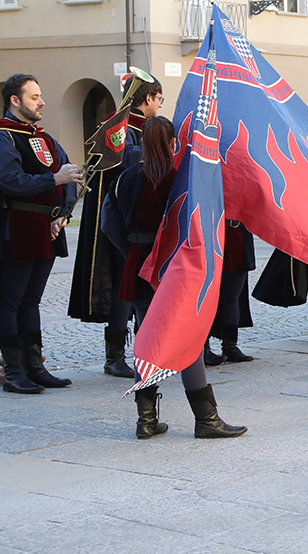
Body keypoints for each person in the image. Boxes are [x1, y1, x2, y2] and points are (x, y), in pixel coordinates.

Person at [101, 116, 245, 439]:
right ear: (170, 142)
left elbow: (109, 224)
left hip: (139, 263)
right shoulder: (181, 178)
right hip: (173, 266)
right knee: (190, 339)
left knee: (147, 338)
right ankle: (206, 419)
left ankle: (146, 420)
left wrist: (134, 252)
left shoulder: (126, 179)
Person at [0, 74, 83, 393]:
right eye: (34, 97)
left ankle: (35, 366)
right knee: (10, 301)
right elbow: (11, 181)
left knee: (31, 301)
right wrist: (54, 180)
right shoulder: (1, 137)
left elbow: (67, 173)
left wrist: (63, 214)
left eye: (40, 96)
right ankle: (13, 371)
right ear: (15, 100)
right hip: (16, 229)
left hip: (46, 229)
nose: (41, 102)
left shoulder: (44, 137)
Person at [67, 74, 164, 379]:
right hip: (123, 221)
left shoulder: (136, 126)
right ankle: (115, 356)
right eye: (159, 98)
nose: (161, 104)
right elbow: (126, 164)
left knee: (138, 286)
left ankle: (143, 349)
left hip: (140, 219)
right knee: (124, 285)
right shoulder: (121, 126)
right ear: (147, 98)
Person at [202, 219, 257, 365]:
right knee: (204, 295)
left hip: (237, 234)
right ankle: (203, 348)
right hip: (209, 234)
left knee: (232, 297)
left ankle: (230, 346)